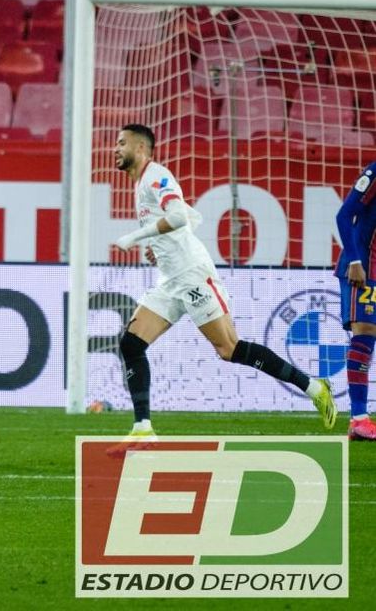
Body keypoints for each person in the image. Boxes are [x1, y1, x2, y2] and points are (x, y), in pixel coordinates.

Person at [111, 123, 336, 439]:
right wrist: (159, 250)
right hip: (170, 279)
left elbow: (176, 216)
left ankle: (314, 387)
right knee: (131, 344)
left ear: (140, 148)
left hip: (192, 275)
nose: (115, 149)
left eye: (121, 143)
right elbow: (191, 218)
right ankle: (143, 428)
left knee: (229, 349)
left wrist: (135, 236)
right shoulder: (142, 184)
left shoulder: (156, 175)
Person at [334, 162, 376, 440]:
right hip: (363, 267)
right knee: (365, 331)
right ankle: (359, 417)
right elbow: (344, 215)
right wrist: (355, 260)